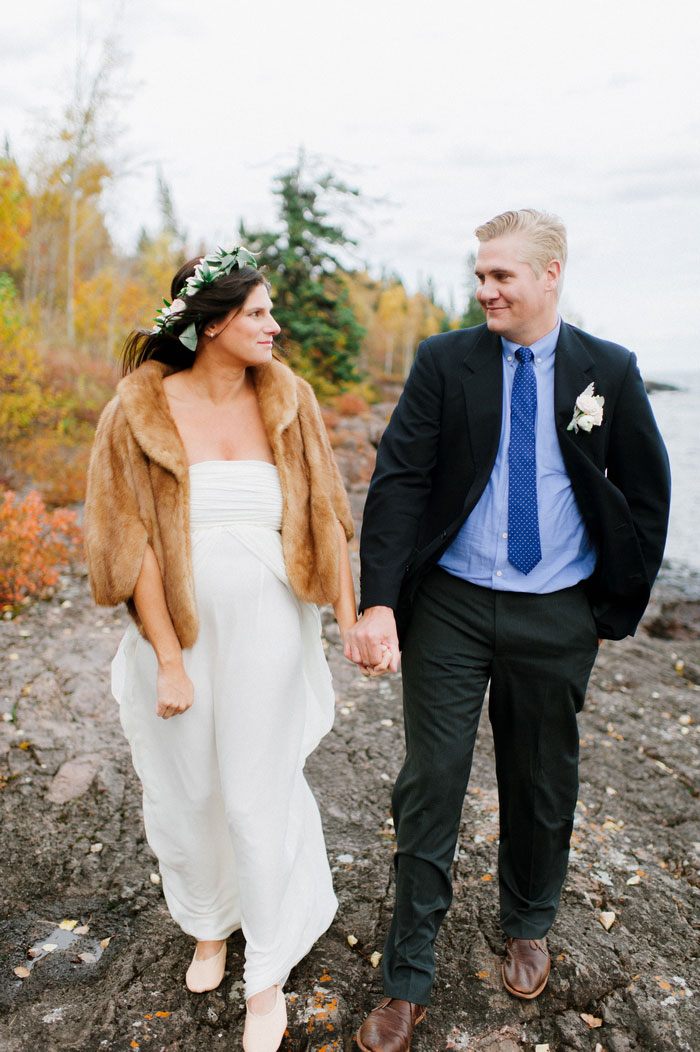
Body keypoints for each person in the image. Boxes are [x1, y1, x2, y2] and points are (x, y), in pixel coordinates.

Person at [344, 210, 671, 1052]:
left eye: (501, 276)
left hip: (556, 609)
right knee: (431, 780)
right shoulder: (443, 361)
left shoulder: (611, 371)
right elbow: (400, 482)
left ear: (550, 274)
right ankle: (406, 978)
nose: (484, 289)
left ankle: (528, 921)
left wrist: (606, 610)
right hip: (451, 602)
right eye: (479, 275)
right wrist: (378, 600)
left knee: (540, 776)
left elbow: (645, 493)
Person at [84, 246, 357, 1052]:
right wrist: (167, 657)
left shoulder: (288, 398)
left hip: (272, 622)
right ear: (209, 327)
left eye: (272, 312)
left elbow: (327, 512)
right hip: (181, 634)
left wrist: (349, 618)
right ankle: (210, 922)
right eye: (258, 314)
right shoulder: (136, 411)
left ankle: (265, 970)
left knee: (253, 792)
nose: (276, 326)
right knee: (190, 788)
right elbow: (128, 544)